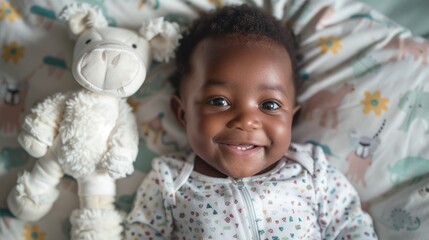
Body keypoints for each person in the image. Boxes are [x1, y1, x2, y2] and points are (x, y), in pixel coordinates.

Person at [125, 4, 378, 239]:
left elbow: (351, 226)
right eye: (219, 101)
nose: (246, 121)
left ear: (292, 118)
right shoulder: (169, 180)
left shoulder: (312, 171)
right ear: (183, 115)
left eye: (269, 105)